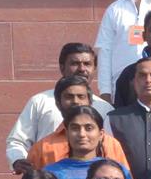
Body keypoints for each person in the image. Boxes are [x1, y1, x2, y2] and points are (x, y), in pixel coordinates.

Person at [6, 43, 113, 171]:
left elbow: (112, 149)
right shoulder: (40, 101)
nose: (82, 69)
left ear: (94, 69)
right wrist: (18, 160)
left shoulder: (105, 108)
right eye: (75, 63)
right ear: (62, 68)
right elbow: (18, 141)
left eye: (87, 64)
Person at [31, 105, 138, 179]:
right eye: (75, 128)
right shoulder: (50, 173)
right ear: (67, 133)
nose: (82, 134)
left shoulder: (117, 171)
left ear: (101, 134)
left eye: (89, 128)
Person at [23, 80, 129, 170]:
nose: (75, 101)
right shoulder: (42, 148)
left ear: (90, 102)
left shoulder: (111, 144)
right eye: (69, 97)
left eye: (81, 96)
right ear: (58, 103)